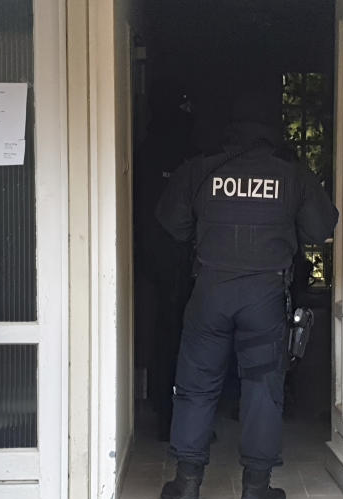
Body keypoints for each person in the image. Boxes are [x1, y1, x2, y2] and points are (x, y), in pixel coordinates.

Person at [155, 90, 339, 499]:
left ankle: (186, 485)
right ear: (272, 132)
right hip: (264, 296)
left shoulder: (202, 170)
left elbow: (174, 226)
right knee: (261, 390)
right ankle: (255, 493)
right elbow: (320, 229)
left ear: (230, 128)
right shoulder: (290, 173)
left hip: (211, 291)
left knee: (197, 385)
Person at [133, 81, 197, 440]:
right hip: (181, 261)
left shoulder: (146, 151)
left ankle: (165, 412)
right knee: (187, 339)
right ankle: (177, 416)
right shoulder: (189, 156)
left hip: (153, 261)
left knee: (164, 335)